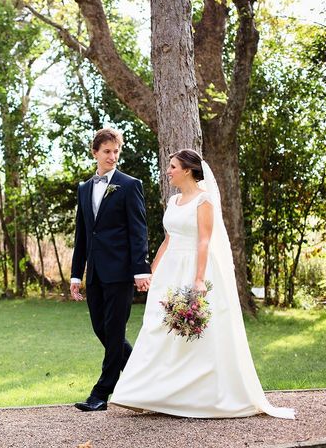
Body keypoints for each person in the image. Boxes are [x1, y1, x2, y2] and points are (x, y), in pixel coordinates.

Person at [111, 149, 295, 419]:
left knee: (196, 333)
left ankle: (198, 397)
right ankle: (140, 393)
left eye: (172, 166)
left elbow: (204, 241)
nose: (168, 171)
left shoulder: (204, 201)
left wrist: (198, 279)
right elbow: (168, 239)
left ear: (187, 169)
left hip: (195, 267)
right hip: (170, 269)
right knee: (156, 327)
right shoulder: (174, 201)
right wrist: (151, 270)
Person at [70, 127, 151, 412]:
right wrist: (76, 274)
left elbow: (138, 230)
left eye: (116, 151)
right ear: (95, 153)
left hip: (120, 273)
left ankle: (101, 394)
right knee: (101, 329)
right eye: (107, 151)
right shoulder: (84, 188)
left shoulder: (130, 185)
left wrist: (141, 269)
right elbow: (82, 235)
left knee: (114, 330)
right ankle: (145, 379)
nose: (112, 157)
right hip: (94, 275)